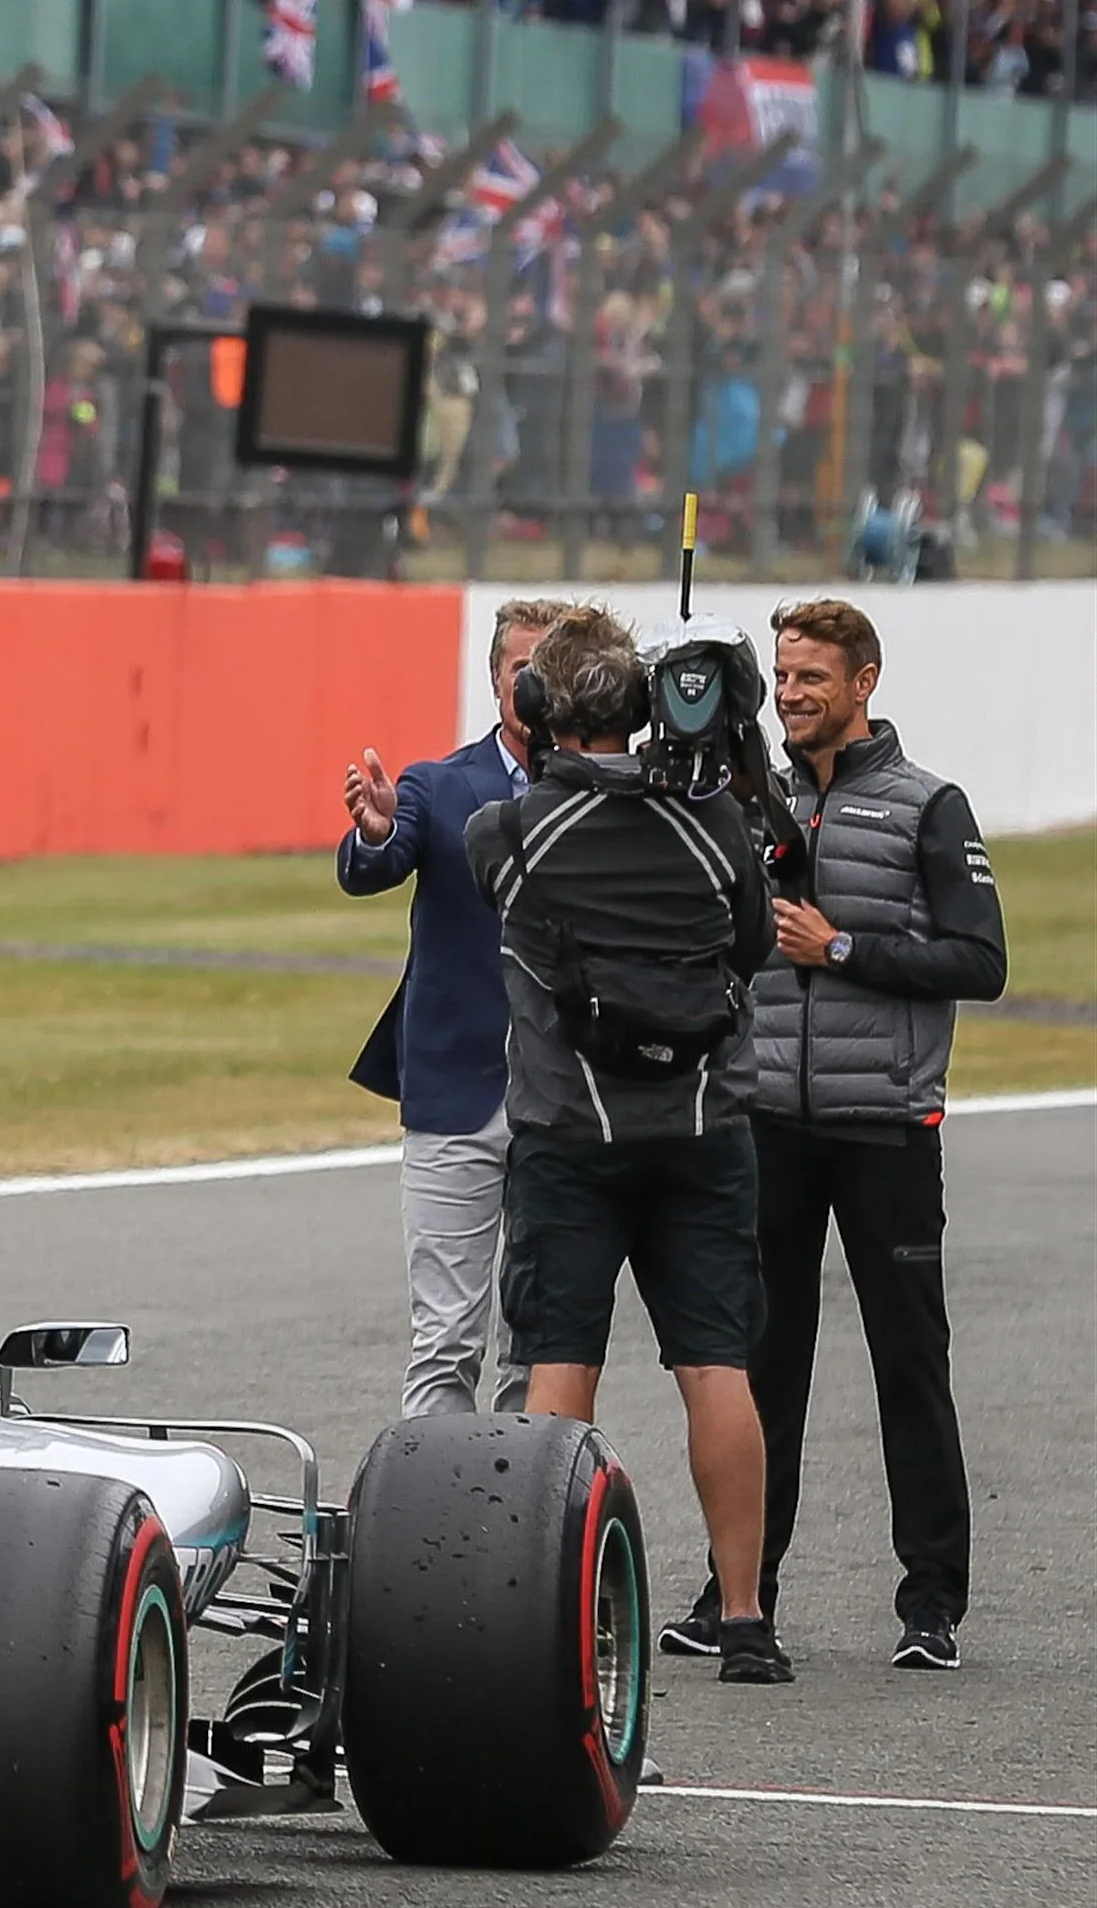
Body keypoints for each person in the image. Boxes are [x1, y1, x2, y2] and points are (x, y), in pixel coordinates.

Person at [665, 599, 1007, 1673]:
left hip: (886, 1132)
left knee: (908, 1361)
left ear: (863, 682)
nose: (792, 691)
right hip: (766, 1125)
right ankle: (739, 1594)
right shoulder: (742, 802)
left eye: (811, 675)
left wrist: (843, 947)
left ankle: (930, 1603)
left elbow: (978, 962)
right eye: (780, 674)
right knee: (761, 1363)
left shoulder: (927, 807)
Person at [465, 609, 792, 1686]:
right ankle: (743, 1615)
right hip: (703, 1132)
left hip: (568, 1137)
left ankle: (551, 1622)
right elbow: (753, 942)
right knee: (716, 1366)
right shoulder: (712, 831)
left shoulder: (507, 836)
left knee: (558, 1366)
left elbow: (502, 885)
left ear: (536, 711)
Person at [339, 599, 566, 1418]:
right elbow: (376, 861)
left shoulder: (606, 793)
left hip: (566, 1102)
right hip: (456, 1096)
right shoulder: (439, 785)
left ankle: (526, 1521)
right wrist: (372, 830)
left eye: (552, 670)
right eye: (521, 671)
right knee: (446, 1341)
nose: (535, 686)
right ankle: (436, 1524)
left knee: (539, 1341)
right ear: (495, 679)